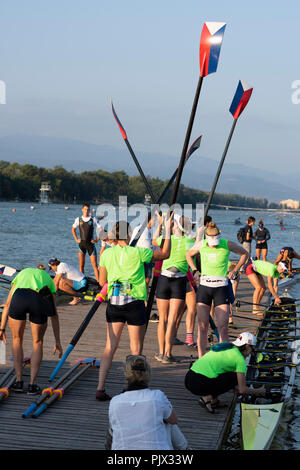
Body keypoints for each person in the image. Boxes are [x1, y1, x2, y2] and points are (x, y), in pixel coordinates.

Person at [96, 216, 172, 401]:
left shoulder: (106, 254)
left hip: (114, 302)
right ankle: (134, 387)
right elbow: (165, 255)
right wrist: (167, 230)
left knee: (110, 347)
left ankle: (100, 388)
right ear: (129, 235)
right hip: (134, 303)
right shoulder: (139, 252)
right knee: (135, 349)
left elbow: (101, 281)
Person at [186, 222, 248, 357]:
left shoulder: (226, 244)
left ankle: (221, 359)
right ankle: (201, 358)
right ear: (207, 237)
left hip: (221, 288)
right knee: (202, 327)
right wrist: (195, 270)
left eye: (215, 241)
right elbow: (188, 255)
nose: (213, 244)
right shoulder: (201, 244)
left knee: (223, 327)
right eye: (211, 241)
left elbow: (244, 254)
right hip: (204, 288)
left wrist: (235, 270)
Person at [0, 267, 63, 394]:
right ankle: (32, 385)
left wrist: (2, 328)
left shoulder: (22, 274)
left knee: (17, 339)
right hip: (38, 300)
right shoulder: (48, 279)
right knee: (37, 342)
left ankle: (18, 382)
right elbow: (54, 314)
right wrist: (57, 341)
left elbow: (7, 305)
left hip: (19, 298)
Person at [106, 355, 188, 450]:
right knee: (166, 421)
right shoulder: (157, 397)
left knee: (114, 429)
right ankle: (185, 448)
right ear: (148, 376)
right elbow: (174, 421)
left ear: (126, 377)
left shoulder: (115, 402)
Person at [185, 332, 265, 413]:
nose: (252, 352)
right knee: (235, 378)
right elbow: (242, 390)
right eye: (252, 349)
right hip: (197, 383)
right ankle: (206, 399)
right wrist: (259, 391)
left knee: (230, 376)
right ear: (247, 346)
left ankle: (214, 401)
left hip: (189, 377)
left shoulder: (228, 347)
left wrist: (235, 387)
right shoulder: (240, 360)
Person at [152, 214, 195, 364]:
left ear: (176, 225)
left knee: (162, 319)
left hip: (164, 279)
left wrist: (161, 225)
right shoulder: (190, 242)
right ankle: (167, 354)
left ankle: (161, 351)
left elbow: (153, 240)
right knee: (171, 320)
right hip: (179, 281)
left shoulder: (166, 239)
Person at [72, 203, 101, 283]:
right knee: (81, 265)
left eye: (87, 209)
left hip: (91, 245)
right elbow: (73, 229)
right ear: (82, 210)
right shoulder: (78, 219)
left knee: (95, 265)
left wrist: (97, 239)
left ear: (89, 210)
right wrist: (76, 238)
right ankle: (82, 282)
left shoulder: (93, 219)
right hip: (81, 245)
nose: (86, 211)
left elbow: (100, 229)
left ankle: (99, 284)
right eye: (85, 209)